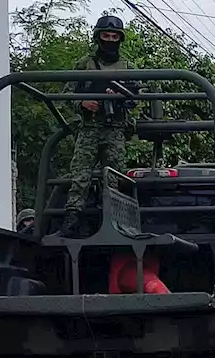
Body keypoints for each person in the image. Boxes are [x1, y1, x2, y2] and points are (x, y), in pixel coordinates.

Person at [62, 15, 138, 237]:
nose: (110, 39)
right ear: (98, 37)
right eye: (106, 35)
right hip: (89, 127)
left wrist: (119, 96)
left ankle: (115, 221)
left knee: (115, 177)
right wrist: (83, 102)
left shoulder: (128, 67)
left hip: (115, 128)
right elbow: (67, 93)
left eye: (115, 36)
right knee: (79, 174)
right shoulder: (84, 64)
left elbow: (136, 97)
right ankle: (72, 218)